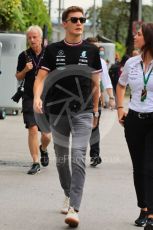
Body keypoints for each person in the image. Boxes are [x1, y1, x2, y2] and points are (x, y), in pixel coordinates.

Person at [33, 6, 102, 228]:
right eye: (74, 19)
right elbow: (41, 78)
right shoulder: (52, 50)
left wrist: (96, 110)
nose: (79, 23)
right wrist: (37, 97)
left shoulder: (92, 51)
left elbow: (96, 85)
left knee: (78, 155)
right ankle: (67, 192)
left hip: (82, 111)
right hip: (57, 110)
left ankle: (74, 207)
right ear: (64, 23)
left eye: (82, 19)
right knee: (62, 158)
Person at [116, 23, 153, 230]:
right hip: (134, 120)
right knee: (139, 167)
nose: (135, 37)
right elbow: (121, 84)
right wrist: (120, 108)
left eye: (138, 34)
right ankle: (144, 208)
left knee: (150, 165)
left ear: (148, 39)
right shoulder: (131, 63)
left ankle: (152, 213)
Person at [16, 25, 51, 175]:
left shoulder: (49, 54)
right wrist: (25, 70)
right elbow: (18, 76)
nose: (32, 40)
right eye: (29, 37)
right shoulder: (23, 55)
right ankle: (35, 162)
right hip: (29, 96)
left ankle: (43, 149)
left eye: (34, 37)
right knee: (32, 129)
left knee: (46, 135)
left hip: (46, 97)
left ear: (41, 38)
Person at [86, 37, 115, 167]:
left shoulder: (101, 62)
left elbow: (106, 79)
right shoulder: (80, 60)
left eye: (97, 48)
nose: (96, 50)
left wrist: (111, 98)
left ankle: (95, 155)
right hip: (78, 99)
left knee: (94, 126)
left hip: (94, 99)